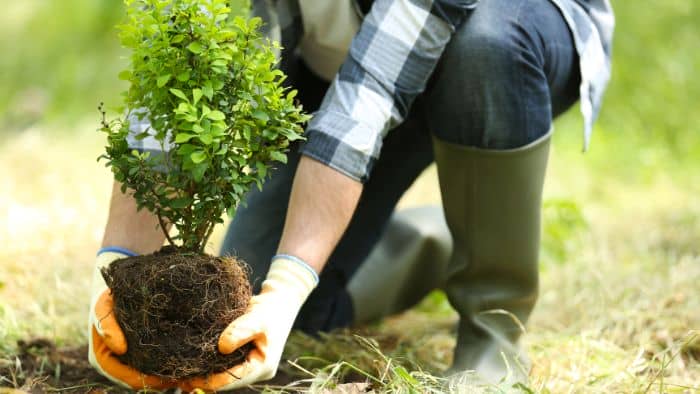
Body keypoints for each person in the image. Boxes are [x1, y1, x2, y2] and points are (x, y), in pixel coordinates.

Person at [88, 0, 614, 390]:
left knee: (486, 46)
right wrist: (116, 268)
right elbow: (193, 56)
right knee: (257, 311)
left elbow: (370, 93)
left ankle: (493, 327)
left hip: (505, 38)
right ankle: (442, 239)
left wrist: (291, 282)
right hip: (332, 61)